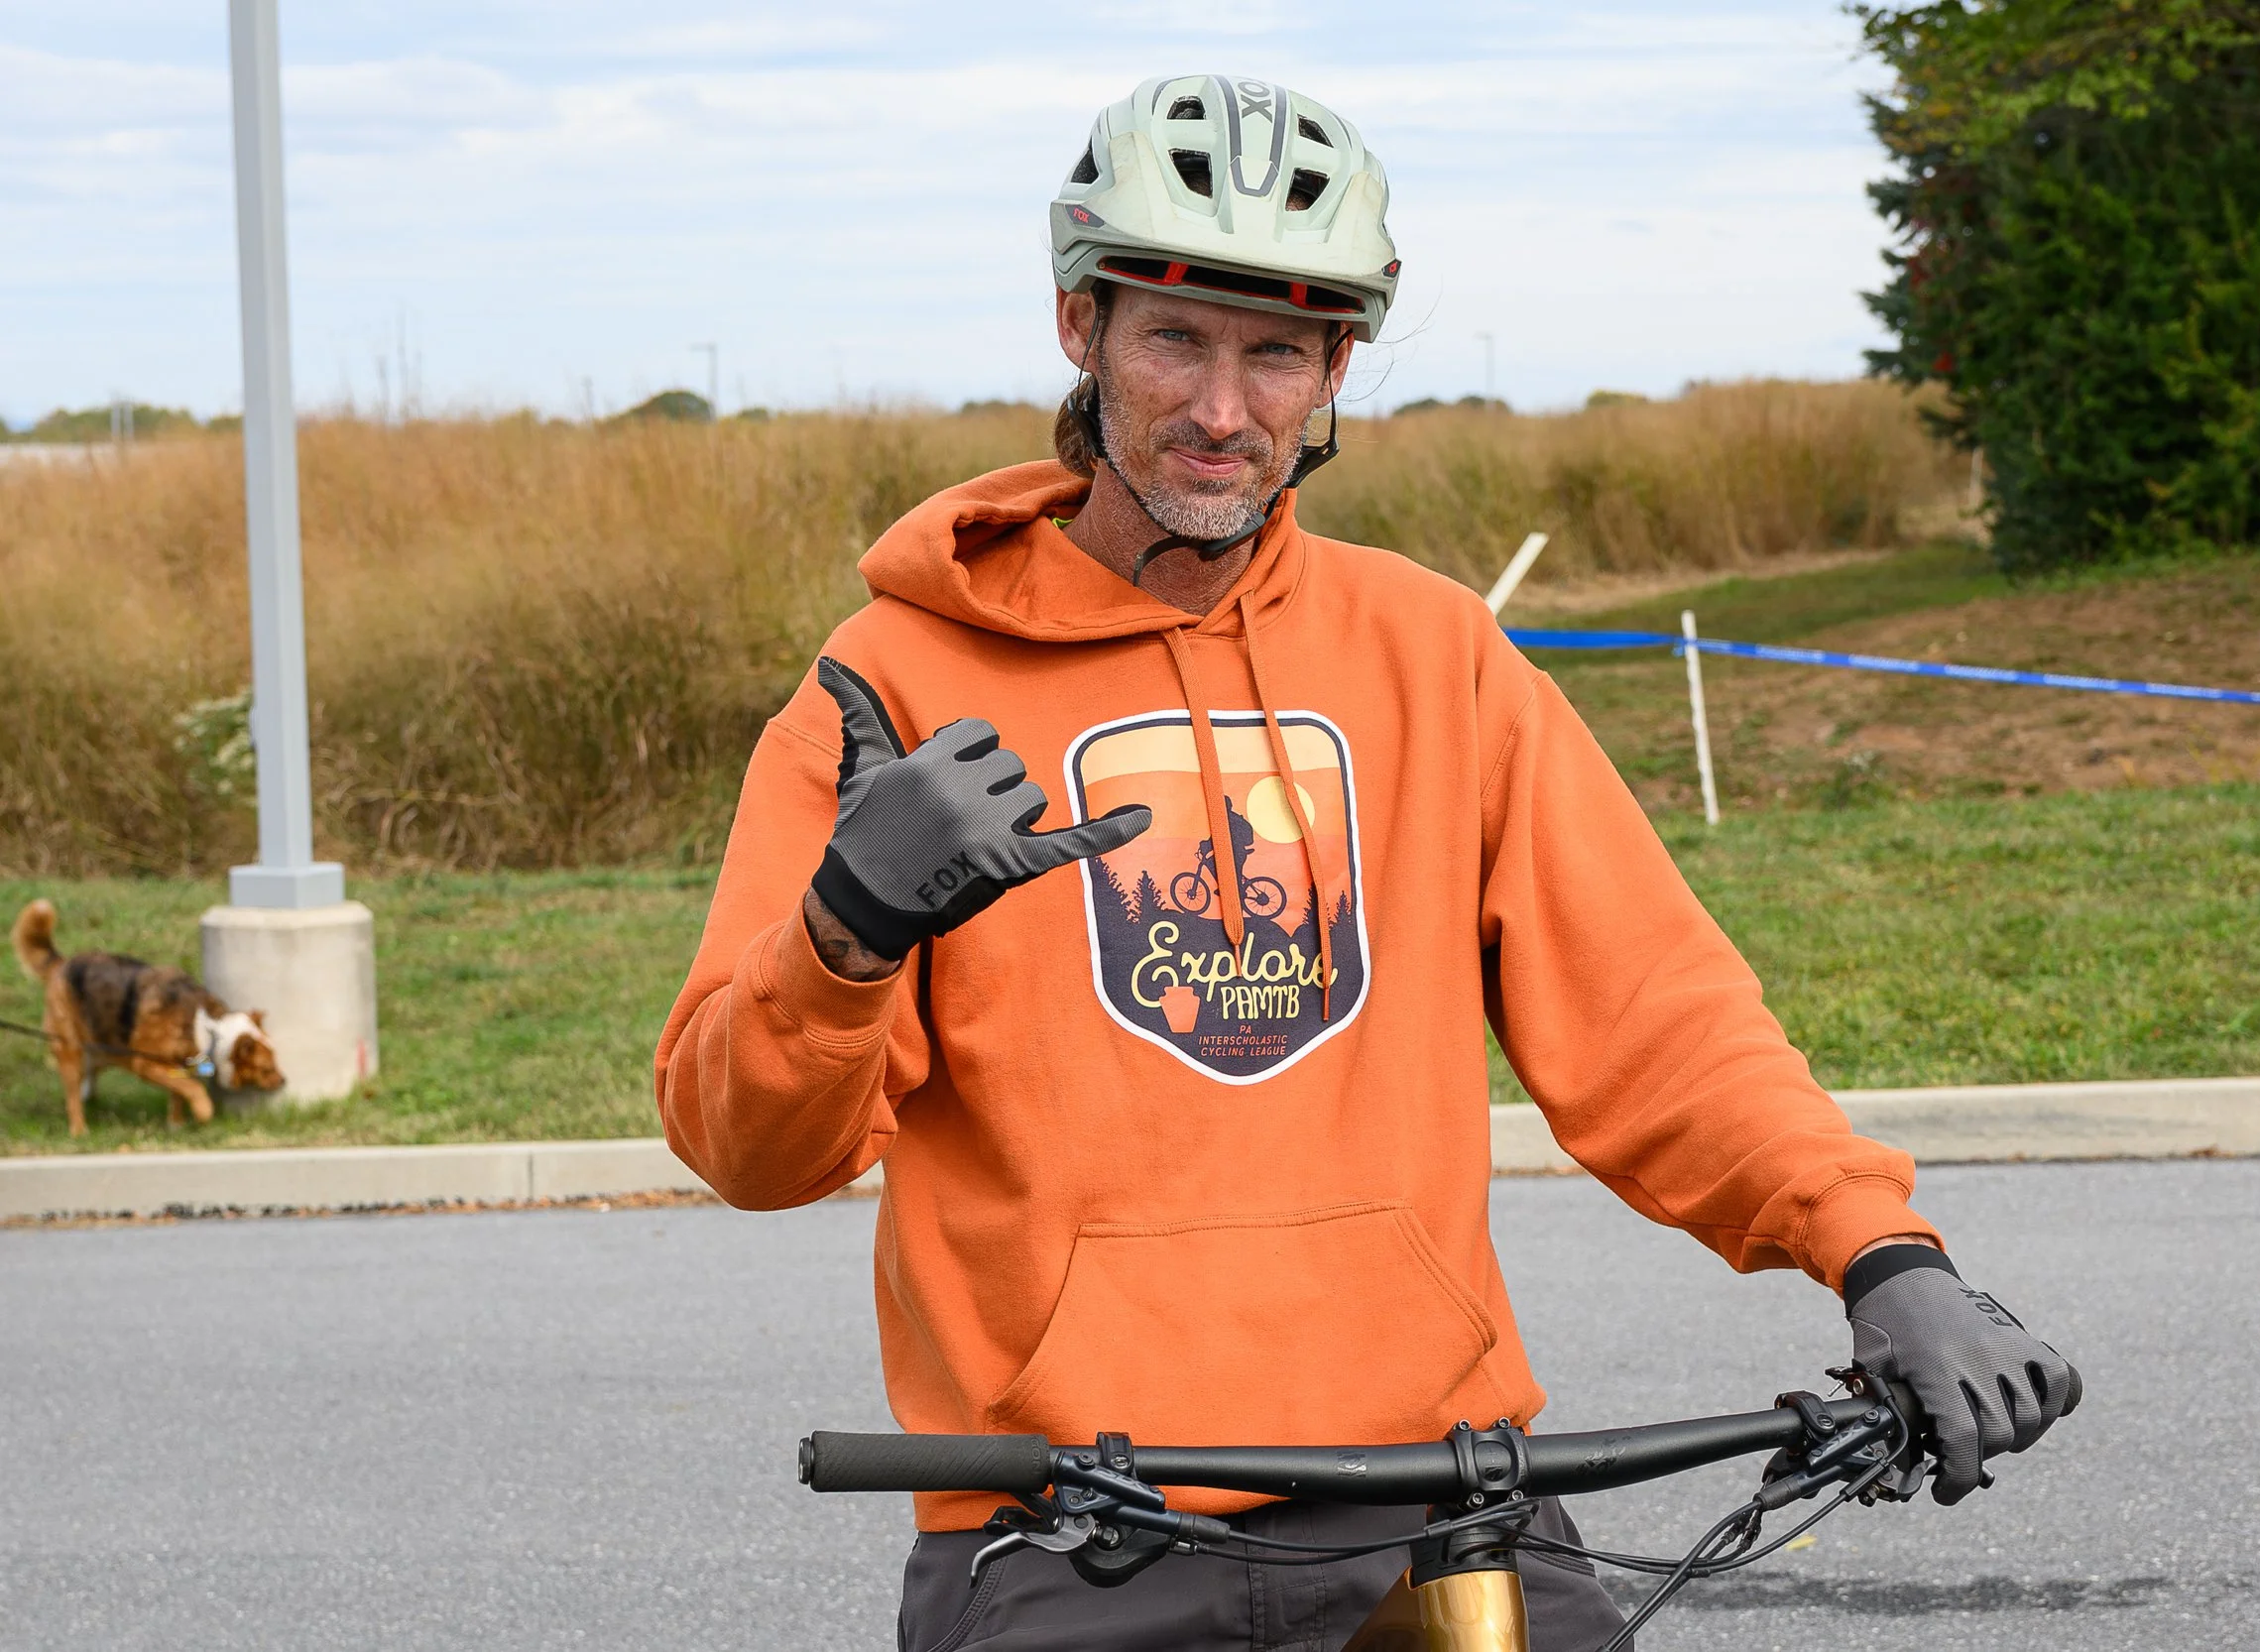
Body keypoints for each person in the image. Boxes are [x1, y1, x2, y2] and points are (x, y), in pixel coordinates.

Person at [658, 73, 2079, 1651]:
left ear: (1336, 362)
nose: (1223, 406)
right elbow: (745, 1144)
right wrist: (846, 932)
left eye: (1278, 349)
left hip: (1440, 1502)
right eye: (1177, 338)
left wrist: (1878, 1252)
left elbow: (1655, 1015)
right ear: (1082, 328)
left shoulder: (1432, 655)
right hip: (1074, 1520)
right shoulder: (893, 687)